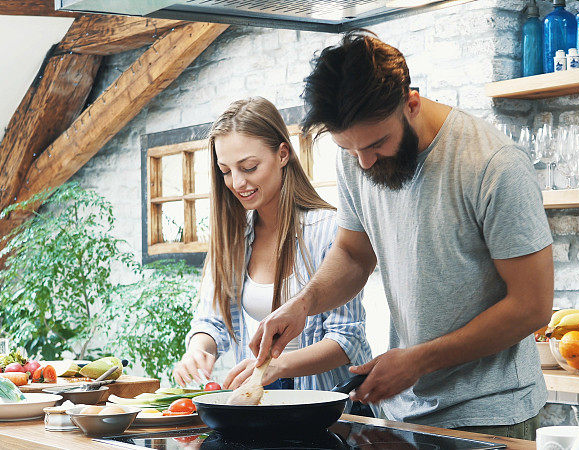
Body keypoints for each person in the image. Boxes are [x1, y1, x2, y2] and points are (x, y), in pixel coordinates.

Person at [249, 31, 554, 439]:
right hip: (403, 411)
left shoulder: (493, 165)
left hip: (491, 415)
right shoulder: (357, 157)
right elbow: (355, 255)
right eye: (349, 149)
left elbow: (531, 306)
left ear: (411, 103)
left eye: (377, 144)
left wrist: (417, 361)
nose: (365, 162)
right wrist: (303, 304)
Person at [173, 97, 374, 415]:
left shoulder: (329, 230)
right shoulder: (233, 237)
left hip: (331, 407)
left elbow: (345, 339)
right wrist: (198, 349)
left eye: (249, 167)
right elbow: (211, 320)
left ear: (283, 154)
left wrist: (276, 366)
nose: (238, 183)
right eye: (226, 171)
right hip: (264, 399)